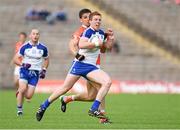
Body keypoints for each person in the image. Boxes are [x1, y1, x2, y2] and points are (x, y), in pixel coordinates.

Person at [36, 11, 114, 123]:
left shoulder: (101, 33)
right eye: (95, 19)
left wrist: (111, 38)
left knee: (106, 83)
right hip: (80, 64)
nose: (97, 21)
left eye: (99, 20)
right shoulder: (87, 32)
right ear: (90, 21)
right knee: (65, 88)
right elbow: (81, 44)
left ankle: (94, 109)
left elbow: (105, 48)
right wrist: (95, 44)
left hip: (92, 67)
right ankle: (43, 106)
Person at [60, 8, 111, 124]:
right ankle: (102, 117)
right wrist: (77, 55)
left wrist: (107, 39)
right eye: (85, 17)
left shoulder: (96, 31)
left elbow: (103, 49)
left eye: (89, 17)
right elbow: (72, 44)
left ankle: (67, 98)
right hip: (85, 65)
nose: (88, 19)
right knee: (101, 88)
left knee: (91, 96)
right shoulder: (81, 31)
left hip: (95, 64)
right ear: (81, 19)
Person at [14, 29, 49, 116]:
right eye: (33, 34)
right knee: (22, 89)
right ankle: (19, 110)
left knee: (29, 96)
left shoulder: (43, 48)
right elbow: (15, 59)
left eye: (37, 34)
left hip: (35, 74)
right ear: (30, 35)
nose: (35, 36)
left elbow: (47, 59)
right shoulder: (24, 46)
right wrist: (23, 64)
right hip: (24, 71)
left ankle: (20, 92)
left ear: (39, 36)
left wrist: (44, 69)